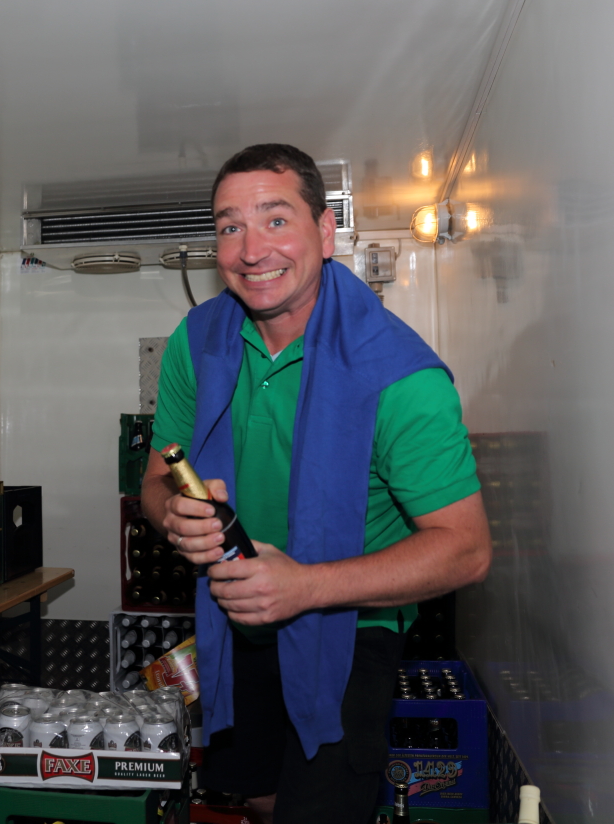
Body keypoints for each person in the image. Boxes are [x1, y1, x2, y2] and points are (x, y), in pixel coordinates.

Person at [141, 144, 492, 824]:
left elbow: (467, 548)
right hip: (237, 608)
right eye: (230, 227)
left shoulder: (401, 375)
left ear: (326, 232)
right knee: (257, 790)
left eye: (276, 220)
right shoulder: (198, 339)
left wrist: (304, 586)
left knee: (322, 807)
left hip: (351, 623)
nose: (252, 250)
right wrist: (171, 515)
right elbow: (156, 479)